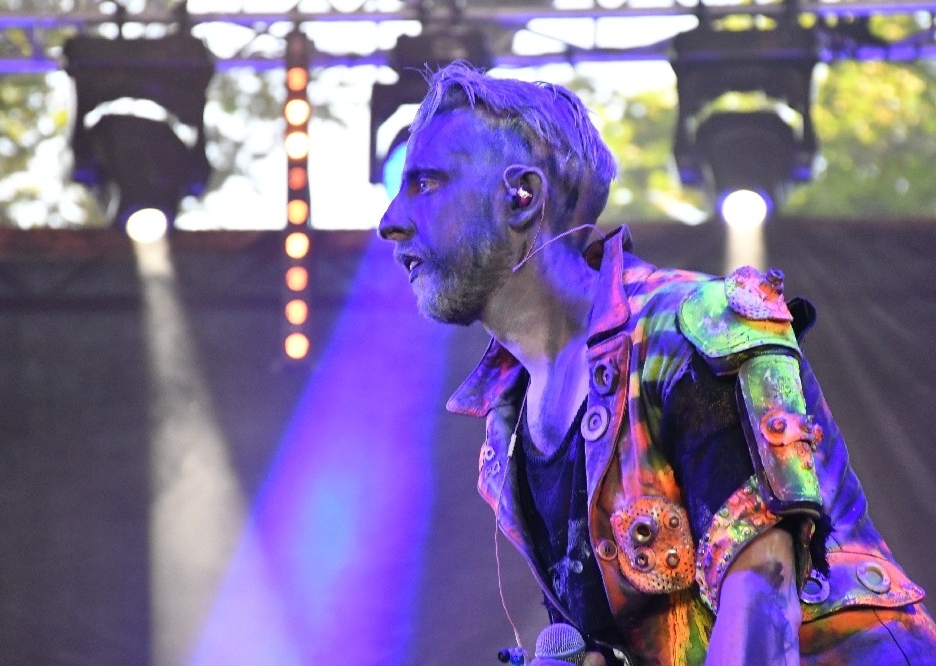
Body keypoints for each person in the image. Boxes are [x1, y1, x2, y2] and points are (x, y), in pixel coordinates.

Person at [377, 61, 936, 665]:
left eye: (426, 184)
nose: (390, 223)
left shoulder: (691, 329)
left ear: (522, 197)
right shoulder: (509, 421)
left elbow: (762, 596)